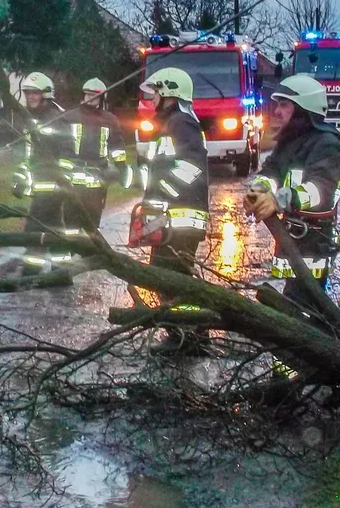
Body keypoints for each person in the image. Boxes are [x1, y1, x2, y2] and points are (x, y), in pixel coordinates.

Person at [243, 75, 340, 309]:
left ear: (303, 109)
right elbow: (271, 171)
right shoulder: (290, 142)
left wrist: (280, 200)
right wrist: (258, 190)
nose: (276, 111)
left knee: (307, 312)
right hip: (295, 239)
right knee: (297, 305)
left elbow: (321, 191)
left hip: (313, 243)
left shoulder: (325, 143)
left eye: (284, 104)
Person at [138, 67, 211, 355]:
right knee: (167, 275)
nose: (152, 98)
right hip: (170, 216)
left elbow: (192, 165)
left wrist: (163, 195)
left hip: (179, 216)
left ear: (169, 92)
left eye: (155, 92)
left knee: (172, 276)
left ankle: (191, 334)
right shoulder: (171, 123)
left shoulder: (181, 122)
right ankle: (184, 332)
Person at [12, 72, 77, 275]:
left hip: (53, 187)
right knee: (55, 229)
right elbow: (30, 155)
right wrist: (20, 179)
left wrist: (60, 183)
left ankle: (31, 272)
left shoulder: (57, 118)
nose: (30, 97)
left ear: (46, 95)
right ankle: (61, 272)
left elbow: (68, 155)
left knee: (33, 229)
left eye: (35, 93)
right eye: (28, 93)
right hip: (41, 185)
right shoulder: (32, 119)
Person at [66, 77, 131, 234]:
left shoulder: (110, 120)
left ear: (102, 98)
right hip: (72, 178)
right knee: (70, 222)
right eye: (88, 95)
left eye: (95, 96)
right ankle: (69, 253)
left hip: (98, 178)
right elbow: (61, 145)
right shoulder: (69, 117)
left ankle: (90, 255)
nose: (91, 98)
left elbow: (117, 147)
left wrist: (122, 168)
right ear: (83, 95)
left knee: (92, 224)